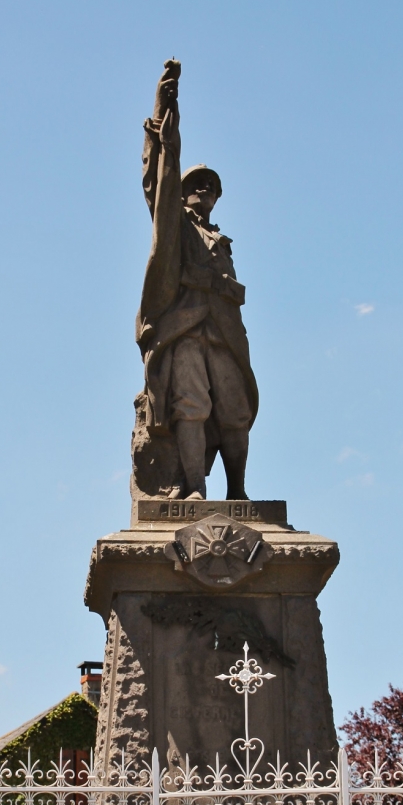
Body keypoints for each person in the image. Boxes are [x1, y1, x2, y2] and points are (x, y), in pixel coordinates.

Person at [136, 60, 258, 501]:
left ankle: (238, 492)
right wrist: (164, 109)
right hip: (185, 326)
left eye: (212, 187)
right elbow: (157, 181)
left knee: (235, 410)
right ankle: (195, 491)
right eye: (197, 184)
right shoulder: (176, 223)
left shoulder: (222, 239)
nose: (204, 190)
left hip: (223, 329)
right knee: (191, 407)